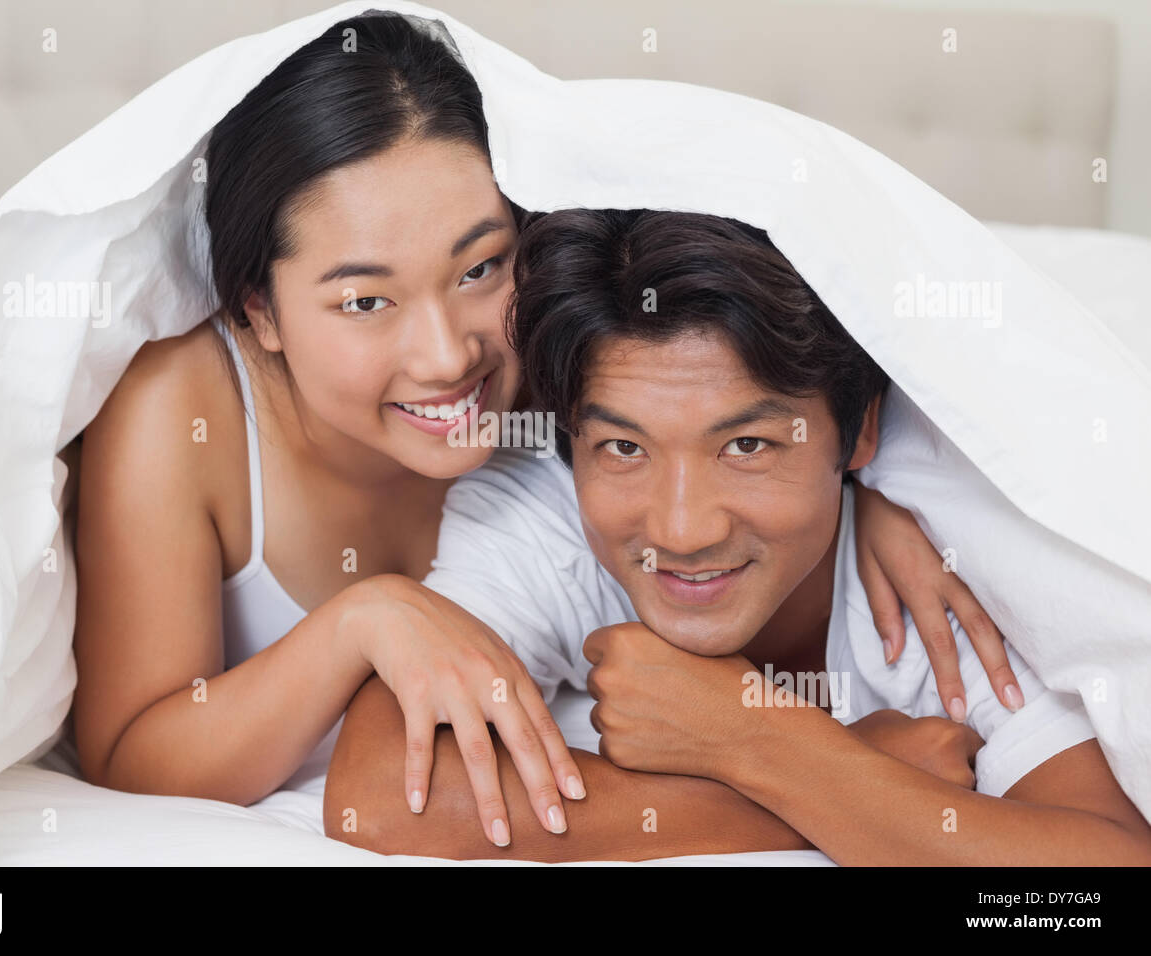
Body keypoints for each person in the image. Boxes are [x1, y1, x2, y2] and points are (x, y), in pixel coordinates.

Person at [68, 12, 1019, 849]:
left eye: (479, 268)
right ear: (260, 313)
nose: (447, 356)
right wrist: (366, 618)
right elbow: (127, 758)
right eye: (365, 299)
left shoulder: (545, 362)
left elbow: (728, 380)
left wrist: (868, 494)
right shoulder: (179, 417)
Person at [323, 209, 1151, 864]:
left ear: (862, 434)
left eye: (747, 447)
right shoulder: (540, 511)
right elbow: (382, 796)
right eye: (622, 447)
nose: (683, 529)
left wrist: (753, 737)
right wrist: (810, 773)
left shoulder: (942, 580)